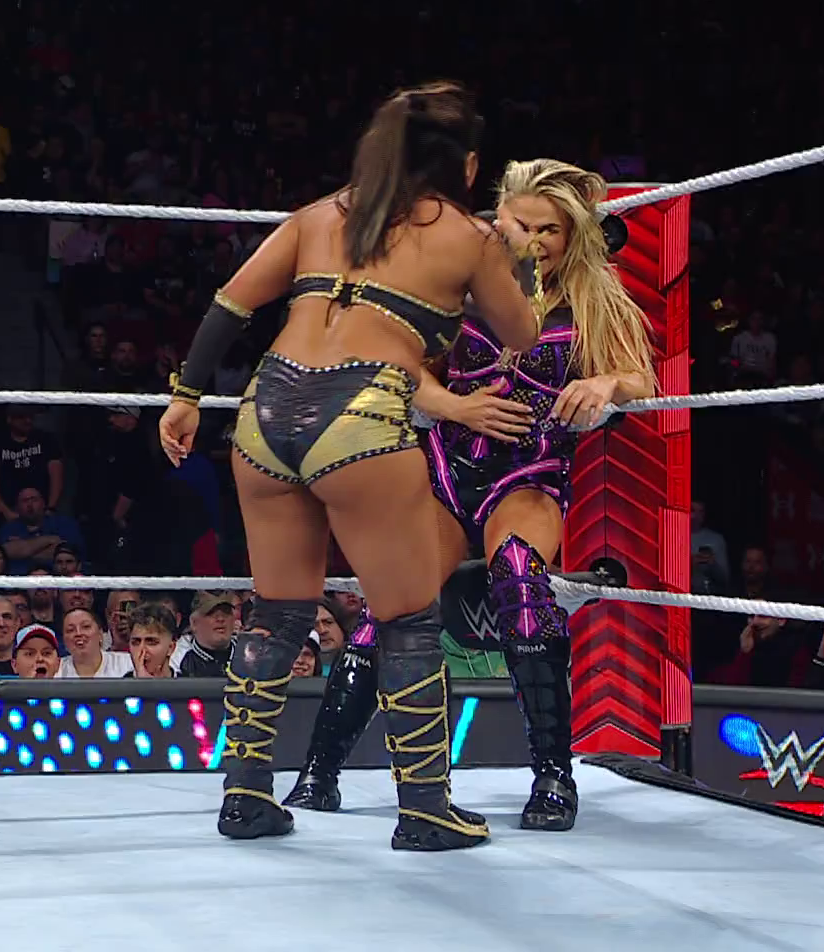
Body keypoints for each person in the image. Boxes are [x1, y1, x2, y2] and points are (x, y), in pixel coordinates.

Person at [156, 83, 540, 849]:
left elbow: (231, 305)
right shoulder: (468, 236)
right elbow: (523, 332)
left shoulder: (320, 214)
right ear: (466, 165)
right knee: (408, 620)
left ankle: (245, 797)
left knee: (277, 612)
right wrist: (516, 255)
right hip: (359, 414)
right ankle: (425, 808)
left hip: (265, 411)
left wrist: (185, 396)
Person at [285, 159, 654, 834]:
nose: (534, 241)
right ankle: (319, 770)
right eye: (523, 225)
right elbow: (403, 370)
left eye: (550, 230)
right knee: (393, 598)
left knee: (520, 577)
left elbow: (640, 377)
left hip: (529, 473)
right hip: (447, 469)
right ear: (497, 221)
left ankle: (553, 777)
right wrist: (456, 405)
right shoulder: (456, 284)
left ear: (573, 236)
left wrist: (606, 385)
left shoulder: (594, 300)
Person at [56, 606, 132, 678]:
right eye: (70, 630)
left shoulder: (127, 663)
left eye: (86, 626)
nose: (78, 633)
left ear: (100, 634)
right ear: (64, 639)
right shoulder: (56, 669)